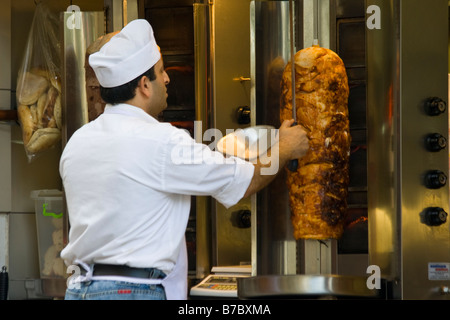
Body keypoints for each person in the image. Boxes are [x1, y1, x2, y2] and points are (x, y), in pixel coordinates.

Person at [60, 19, 309, 300]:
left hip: (80, 290)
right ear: (144, 85)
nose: (167, 79)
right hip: (131, 292)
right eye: (160, 71)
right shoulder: (162, 141)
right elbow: (245, 181)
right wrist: (285, 148)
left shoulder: (78, 142)